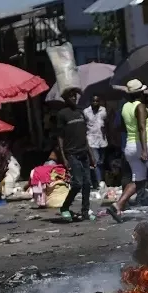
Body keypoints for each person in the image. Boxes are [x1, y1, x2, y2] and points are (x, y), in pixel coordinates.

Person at [108, 79, 148, 221]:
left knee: (138, 180)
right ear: (141, 92)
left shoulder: (125, 107)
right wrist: (145, 150)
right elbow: (142, 127)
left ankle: (118, 205)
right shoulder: (140, 106)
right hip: (146, 144)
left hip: (130, 146)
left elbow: (121, 127)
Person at [55, 86, 93, 222]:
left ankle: (85, 211)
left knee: (87, 183)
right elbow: (60, 137)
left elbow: (84, 135)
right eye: (70, 96)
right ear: (65, 98)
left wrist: (91, 155)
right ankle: (65, 207)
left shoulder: (81, 112)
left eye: (74, 96)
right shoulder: (62, 114)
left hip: (84, 152)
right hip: (71, 153)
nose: (73, 98)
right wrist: (63, 157)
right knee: (77, 183)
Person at [84, 93, 108, 188]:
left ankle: (100, 180)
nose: (95, 102)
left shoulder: (103, 110)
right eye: (93, 101)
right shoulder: (86, 112)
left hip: (102, 140)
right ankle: (98, 182)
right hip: (91, 140)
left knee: (101, 162)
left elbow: (106, 122)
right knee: (96, 162)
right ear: (90, 102)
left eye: (97, 101)